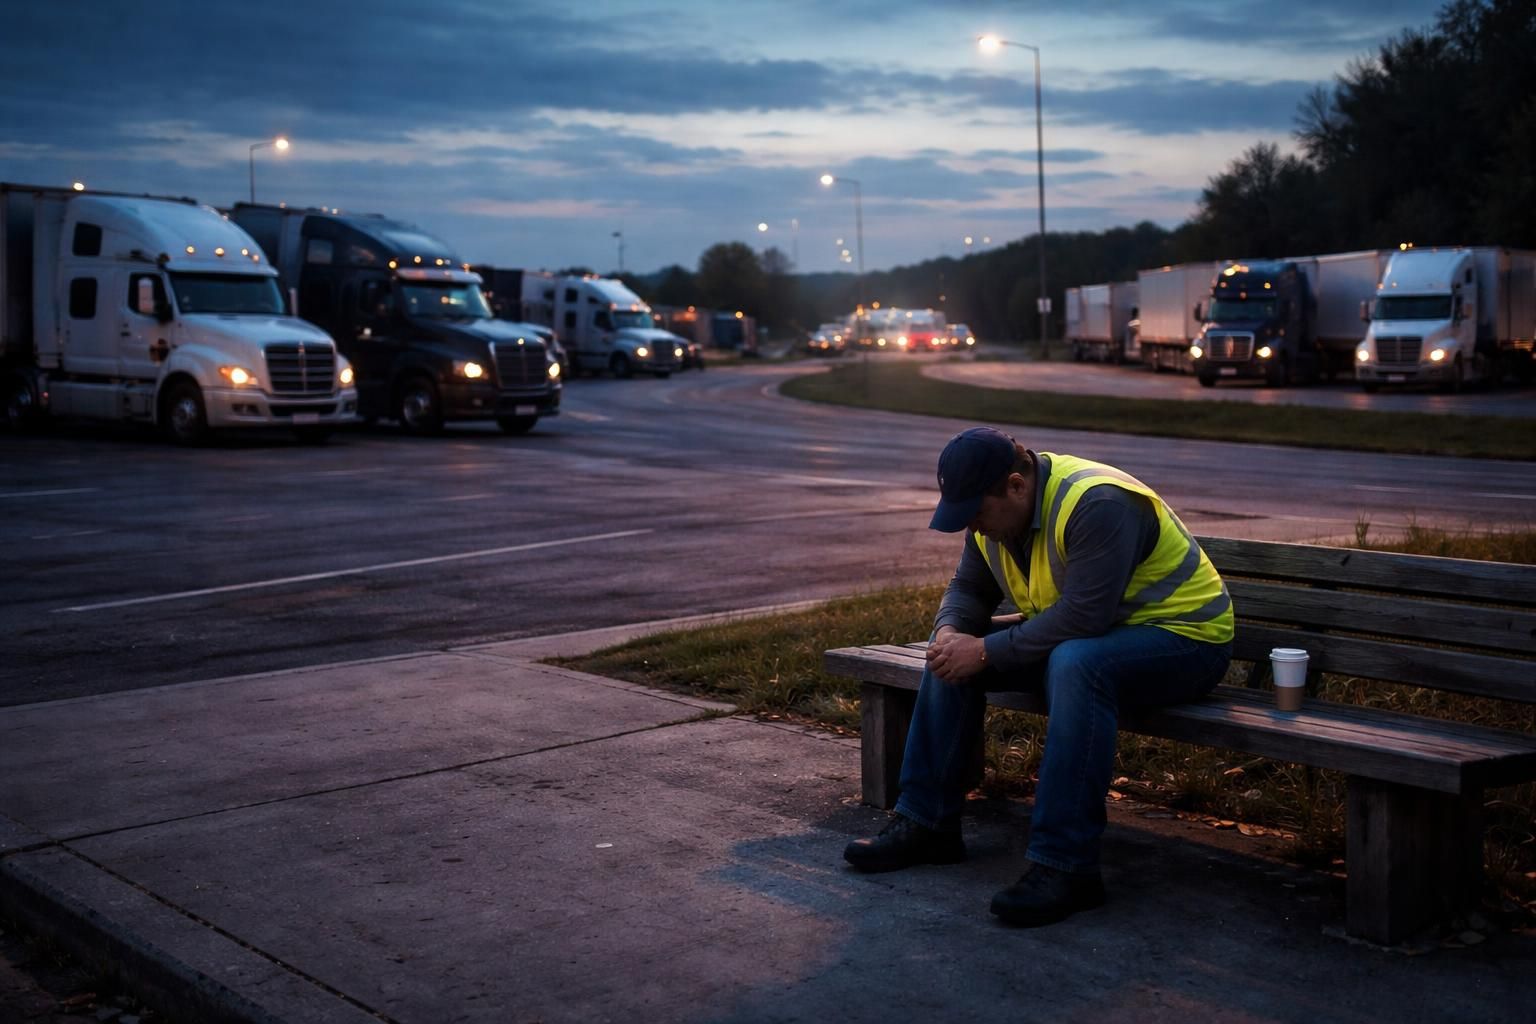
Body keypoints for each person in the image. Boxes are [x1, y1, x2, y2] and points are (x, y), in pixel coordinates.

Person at [844, 426, 1234, 926]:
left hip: (1186, 641)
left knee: (1076, 662)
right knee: (951, 655)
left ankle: (1066, 866)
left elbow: (1084, 618)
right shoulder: (992, 519)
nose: (976, 528)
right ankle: (926, 824)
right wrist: (949, 633)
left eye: (978, 513)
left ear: (1015, 485)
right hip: (1093, 637)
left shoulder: (1099, 502)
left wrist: (983, 651)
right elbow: (967, 589)